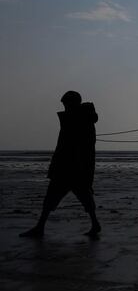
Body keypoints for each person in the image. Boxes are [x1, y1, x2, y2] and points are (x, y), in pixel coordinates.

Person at [20, 91, 101, 239]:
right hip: (73, 167)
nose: (64, 106)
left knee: (55, 197)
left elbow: (75, 147)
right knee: (82, 197)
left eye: (66, 103)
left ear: (72, 103)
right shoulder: (81, 119)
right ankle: (94, 224)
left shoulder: (78, 120)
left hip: (70, 168)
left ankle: (40, 228)